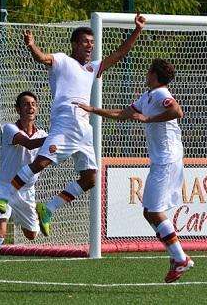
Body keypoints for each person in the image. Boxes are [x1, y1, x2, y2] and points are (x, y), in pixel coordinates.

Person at [9, 13, 146, 236]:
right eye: (85, 42)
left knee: (90, 178)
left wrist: (137, 30)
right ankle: (6, 194)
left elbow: (120, 54)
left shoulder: (92, 69)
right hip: (65, 124)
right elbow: (42, 58)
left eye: (92, 43)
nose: (89, 46)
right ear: (74, 44)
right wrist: (32, 45)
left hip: (84, 130)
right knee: (41, 163)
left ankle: (49, 208)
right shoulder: (63, 60)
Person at [75, 58, 194, 283]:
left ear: (154, 75)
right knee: (149, 211)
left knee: (153, 211)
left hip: (168, 159)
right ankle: (178, 257)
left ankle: (180, 259)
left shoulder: (160, 94)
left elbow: (177, 111)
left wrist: (148, 118)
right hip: (162, 160)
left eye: (149, 71)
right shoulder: (148, 96)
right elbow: (123, 114)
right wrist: (92, 109)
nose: (146, 73)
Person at [0, 91, 47, 290]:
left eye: (33, 103)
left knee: (32, 235)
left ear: (37, 108)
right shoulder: (9, 129)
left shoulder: (43, 134)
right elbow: (29, 143)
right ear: (18, 109)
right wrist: (57, 136)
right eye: (25, 104)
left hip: (26, 193)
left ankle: (37, 211)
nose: (30, 107)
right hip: (4, 190)